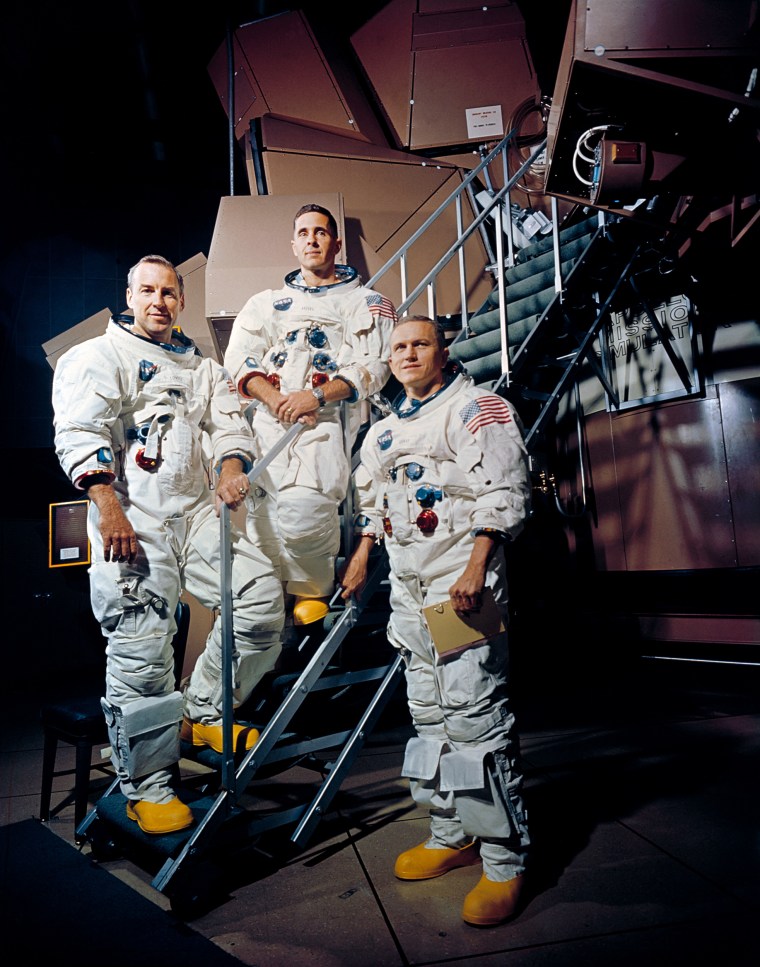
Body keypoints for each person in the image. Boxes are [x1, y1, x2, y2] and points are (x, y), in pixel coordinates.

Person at [52, 255, 284, 836]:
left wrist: (231, 468)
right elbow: (80, 431)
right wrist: (108, 509)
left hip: (195, 513)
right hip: (133, 517)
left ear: (181, 300)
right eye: (148, 291)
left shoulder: (202, 369)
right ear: (130, 297)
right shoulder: (99, 356)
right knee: (142, 654)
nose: (159, 301)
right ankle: (148, 788)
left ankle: (204, 711)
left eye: (169, 292)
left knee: (259, 601)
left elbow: (229, 428)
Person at [340, 316, 531, 927]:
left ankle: (504, 860)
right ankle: (450, 833)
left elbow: (504, 491)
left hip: (459, 591)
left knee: (474, 717)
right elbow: (374, 503)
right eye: (398, 347)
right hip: (408, 593)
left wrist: (477, 567)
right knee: (428, 720)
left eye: (419, 344)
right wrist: (362, 554)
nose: (407, 354)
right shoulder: (383, 431)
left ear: (442, 352)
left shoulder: (476, 409)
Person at [223, 203, 397, 627]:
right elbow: (239, 358)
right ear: (294, 245)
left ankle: (312, 591)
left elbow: (374, 366)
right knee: (264, 522)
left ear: (336, 243)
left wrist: (315, 397)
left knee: (306, 512)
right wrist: (274, 399)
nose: (312, 240)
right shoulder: (267, 303)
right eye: (303, 233)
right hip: (269, 422)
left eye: (320, 232)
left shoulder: (368, 302)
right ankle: (271, 606)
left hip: (326, 422)